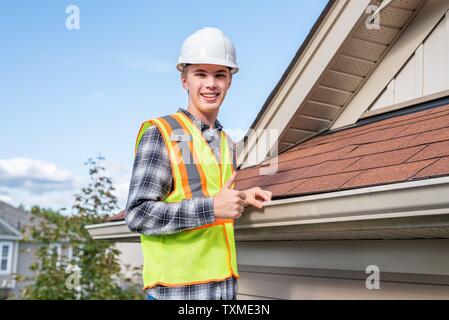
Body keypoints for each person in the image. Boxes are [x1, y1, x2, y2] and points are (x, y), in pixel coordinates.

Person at [125, 27, 272, 300]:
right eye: (200, 74)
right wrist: (212, 208)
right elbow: (138, 214)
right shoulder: (162, 132)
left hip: (223, 289)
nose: (211, 84)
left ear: (230, 81)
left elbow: (206, 193)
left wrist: (241, 197)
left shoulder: (227, 143)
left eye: (220, 75)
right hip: (176, 293)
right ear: (184, 81)